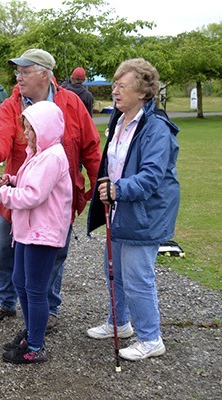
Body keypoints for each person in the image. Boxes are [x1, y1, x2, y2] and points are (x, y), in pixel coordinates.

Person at [0, 49, 101, 331]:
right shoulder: (11, 105)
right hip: (21, 198)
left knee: (54, 255)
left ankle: (48, 307)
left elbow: (91, 147)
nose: (18, 77)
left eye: (24, 71)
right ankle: (4, 301)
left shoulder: (73, 104)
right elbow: (0, 134)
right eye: (17, 72)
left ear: (45, 74)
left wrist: (99, 184)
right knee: (7, 248)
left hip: (58, 202)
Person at [86, 58, 180, 361]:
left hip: (144, 213)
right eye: (114, 84)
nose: (115, 90)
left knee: (138, 276)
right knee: (113, 270)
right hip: (119, 209)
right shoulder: (120, 119)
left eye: (121, 85)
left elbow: (152, 176)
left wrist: (118, 189)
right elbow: (114, 163)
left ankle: (151, 338)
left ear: (142, 91)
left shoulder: (156, 128)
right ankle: (120, 323)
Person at [0, 101, 72, 364]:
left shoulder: (52, 156)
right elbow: (29, 183)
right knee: (20, 282)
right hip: (26, 231)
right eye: (26, 128)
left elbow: (33, 196)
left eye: (31, 129)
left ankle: (36, 347)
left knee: (35, 290)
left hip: (42, 234)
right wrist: (10, 180)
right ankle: (31, 332)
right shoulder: (38, 154)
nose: (27, 134)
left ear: (46, 129)